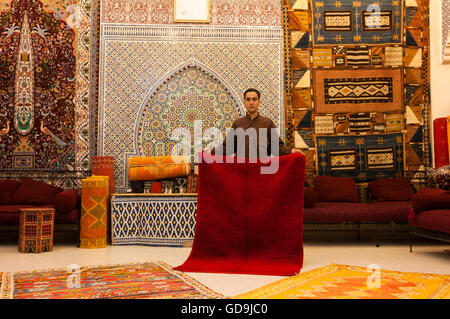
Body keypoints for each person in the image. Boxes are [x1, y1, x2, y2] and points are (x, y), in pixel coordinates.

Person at [210, 88, 304, 158]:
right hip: (241, 170)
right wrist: (209, 151)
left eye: (254, 99)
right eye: (248, 99)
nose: (251, 102)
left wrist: (291, 151)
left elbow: (276, 148)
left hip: (261, 170)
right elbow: (228, 147)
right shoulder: (238, 123)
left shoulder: (267, 123)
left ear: (259, 102)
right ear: (244, 102)